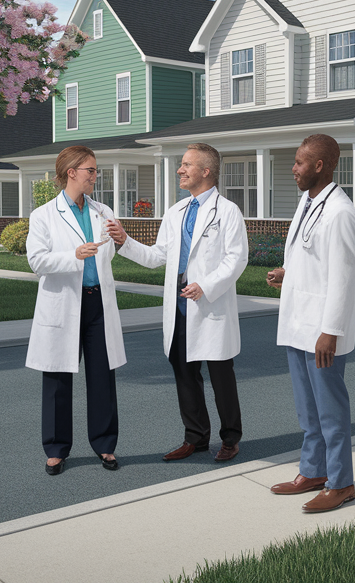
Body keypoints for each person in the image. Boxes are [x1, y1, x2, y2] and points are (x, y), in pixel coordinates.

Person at [111, 143, 249, 463]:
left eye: (186, 165)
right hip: (179, 309)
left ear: (205, 171)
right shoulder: (175, 213)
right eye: (180, 165)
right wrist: (125, 241)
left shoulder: (226, 211)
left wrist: (207, 285)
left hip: (209, 307)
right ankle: (196, 438)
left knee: (220, 377)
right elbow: (158, 255)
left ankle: (230, 439)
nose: (180, 170)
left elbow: (237, 258)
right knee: (185, 375)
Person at [265, 134, 355, 513]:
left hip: (322, 332)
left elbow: (343, 278)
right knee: (308, 410)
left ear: (320, 166)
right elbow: (314, 260)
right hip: (297, 323)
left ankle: (341, 483)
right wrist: (287, 273)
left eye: (300, 163)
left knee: (331, 411)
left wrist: (330, 331)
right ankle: (314, 471)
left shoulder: (340, 212)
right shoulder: (308, 203)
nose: (294, 169)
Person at [25, 146, 128, 476]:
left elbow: (108, 253)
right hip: (65, 303)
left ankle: (105, 445)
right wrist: (75, 255)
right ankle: (55, 449)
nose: (95, 176)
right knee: (57, 377)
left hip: (98, 302)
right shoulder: (43, 215)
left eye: (95, 171)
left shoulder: (103, 210)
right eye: (91, 170)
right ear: (72, 172)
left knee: (102, 376)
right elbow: (37, 261)